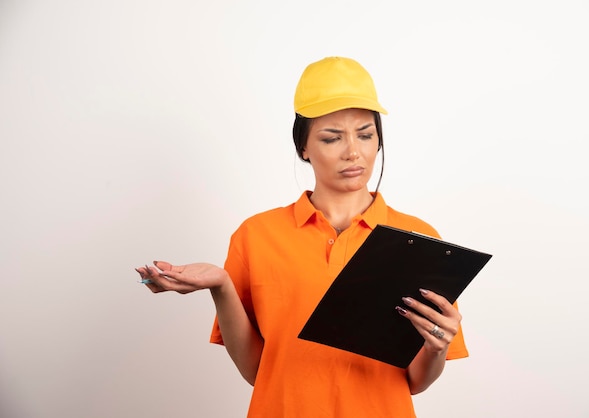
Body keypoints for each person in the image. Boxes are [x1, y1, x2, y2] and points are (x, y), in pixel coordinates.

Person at [136, 56, 468, 418]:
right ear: (303, 147)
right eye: (332, 137)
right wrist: (221, 285)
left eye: (365, 134)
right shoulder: (256, 236)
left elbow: (415, 381)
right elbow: (256, 371)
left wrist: (437, 347)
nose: (353, 151)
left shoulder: (418, 240)